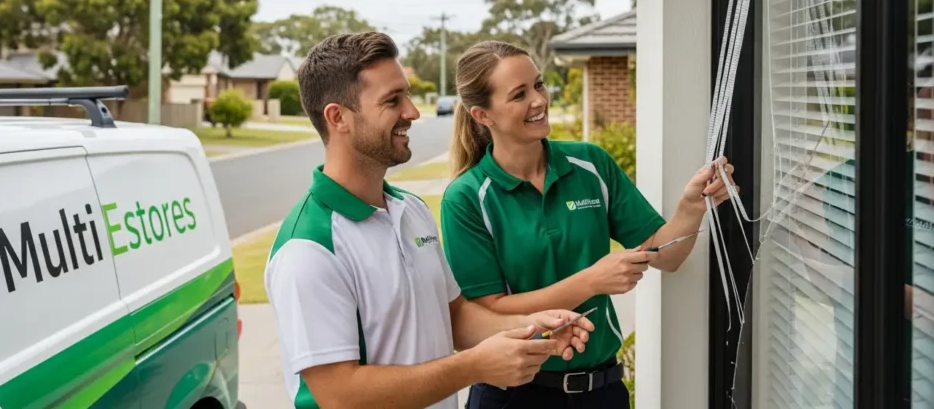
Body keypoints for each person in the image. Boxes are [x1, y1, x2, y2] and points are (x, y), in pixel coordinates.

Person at [264, 32, 597, 409]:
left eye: (406, 95)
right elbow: (339, 394)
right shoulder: (308, 249)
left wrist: (534, 327)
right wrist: (472, 367)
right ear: (338, 117)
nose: (412, 111)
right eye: (393, 100)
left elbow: (453, 315)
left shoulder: (412, 211)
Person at [439, 40, 738, 408]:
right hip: (513, 395)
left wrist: (691, 207)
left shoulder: (590, 164)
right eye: (519, 94)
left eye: (538, 84)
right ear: (483, 115)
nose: (538, 100)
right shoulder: (466, 198)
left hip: (601, 390)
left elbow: (665, 255)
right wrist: (591, 282)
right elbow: (488, 310)